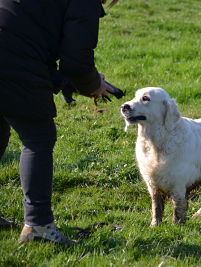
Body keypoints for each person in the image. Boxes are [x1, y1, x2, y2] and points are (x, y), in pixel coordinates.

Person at [0, 0, 118, 244]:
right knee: (38, 138)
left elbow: (28, 36)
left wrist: (72, 83)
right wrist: (91, 84)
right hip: (13, 63)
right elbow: (75, 62)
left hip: (10, 53)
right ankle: (38, 225)